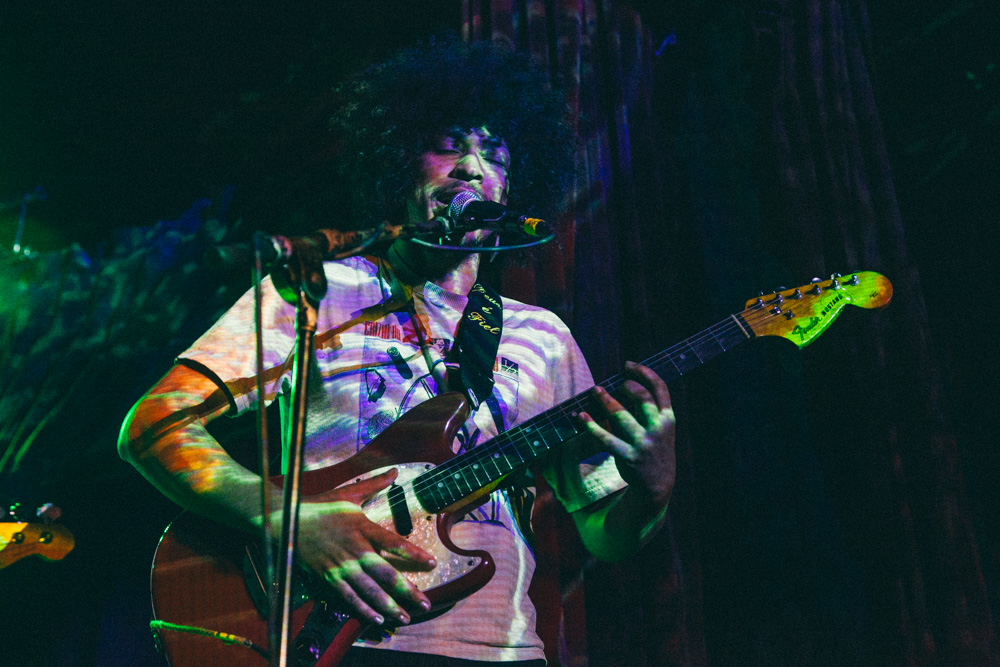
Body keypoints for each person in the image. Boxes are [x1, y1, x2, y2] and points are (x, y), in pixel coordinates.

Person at [119, 42, 675, 666]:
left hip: (504, 650)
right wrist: (289, 519)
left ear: (512, 187)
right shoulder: (317, 290)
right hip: (339, 639)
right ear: (402, 164)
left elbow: (604, 530)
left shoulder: (544, 337)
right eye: (449, 145)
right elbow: (154, 423)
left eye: (493, 154)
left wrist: (651, 490)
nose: (471, 168)